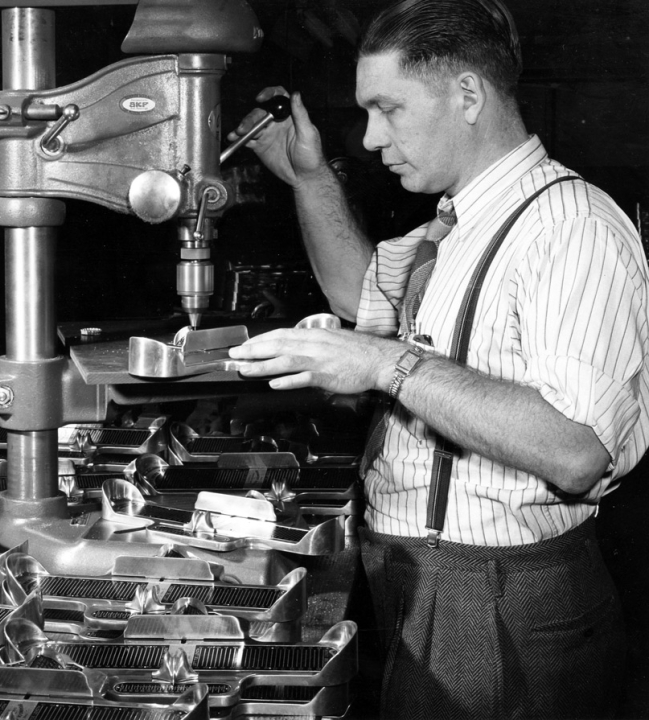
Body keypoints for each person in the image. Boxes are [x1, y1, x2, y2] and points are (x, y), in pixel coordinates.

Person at [226, 0, 649, 717]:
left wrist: (385, 364)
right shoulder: (455, 223)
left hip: (493, 596)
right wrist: (307, 178)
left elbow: (576, 449)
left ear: (466, 95)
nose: (367, 138)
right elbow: (358, 291)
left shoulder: (568, 227)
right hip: (423, 579)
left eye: (387, 108)